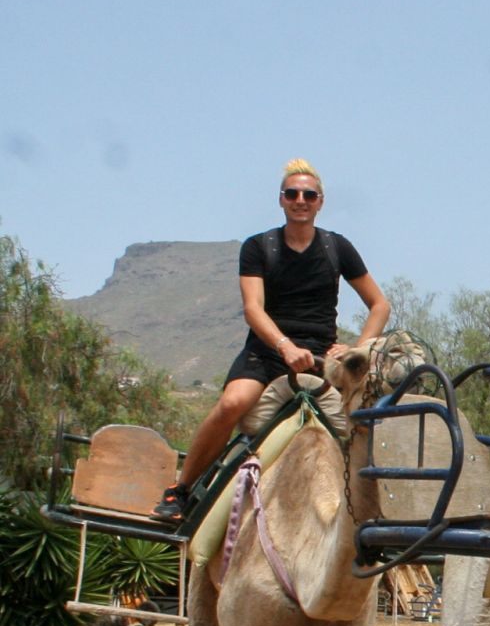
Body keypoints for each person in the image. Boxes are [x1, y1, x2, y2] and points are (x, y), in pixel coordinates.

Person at [152, 159, 391, 521]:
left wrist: (355, 350)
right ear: (281, 200)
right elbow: (253, 309)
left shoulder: (336, 247)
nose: (300, 200)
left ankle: (380, 511)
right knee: (234, 402)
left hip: (322, 359)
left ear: (320, 202)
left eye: (308, 194)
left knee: (370, 418)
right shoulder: (258, 247)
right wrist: (284, 346)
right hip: (267, 353)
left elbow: (379, 305)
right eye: (292, 194)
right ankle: (181, 490)